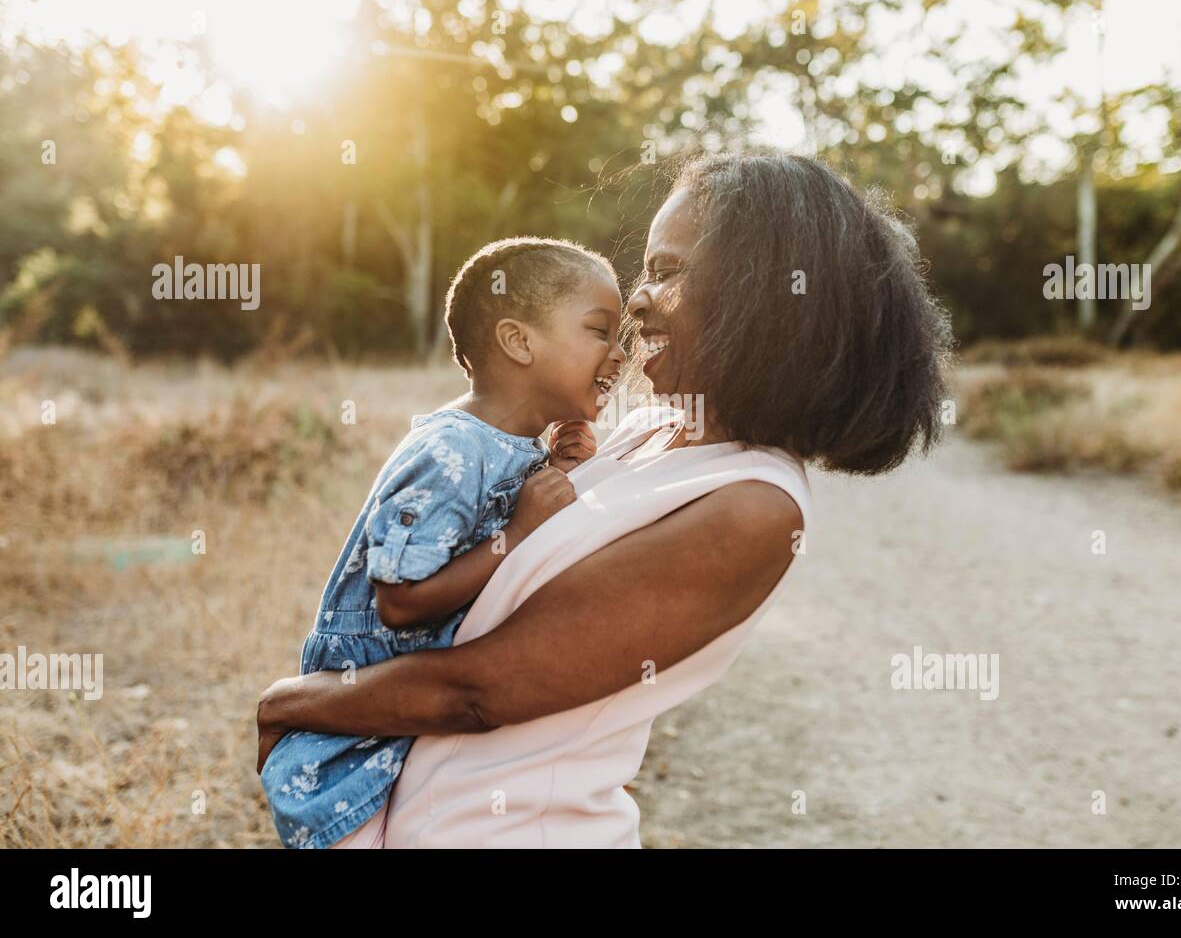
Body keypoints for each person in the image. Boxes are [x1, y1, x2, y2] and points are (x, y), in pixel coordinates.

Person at [256, 151, 952, 847]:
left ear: (761, 294)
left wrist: (293, 701)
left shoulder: (754, 506)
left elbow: (480, 690)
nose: (640, 298)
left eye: (669, 270)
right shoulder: (651, 429)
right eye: (647, 269)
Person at [259, 237, 625, 848]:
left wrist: (563, 472)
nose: (619, 355)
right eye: (599, 331)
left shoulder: (510, 448)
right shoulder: (450, 451)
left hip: (407, 724)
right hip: (349, 749)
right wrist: (518, 531)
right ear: (519, 341)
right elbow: (400, 602)